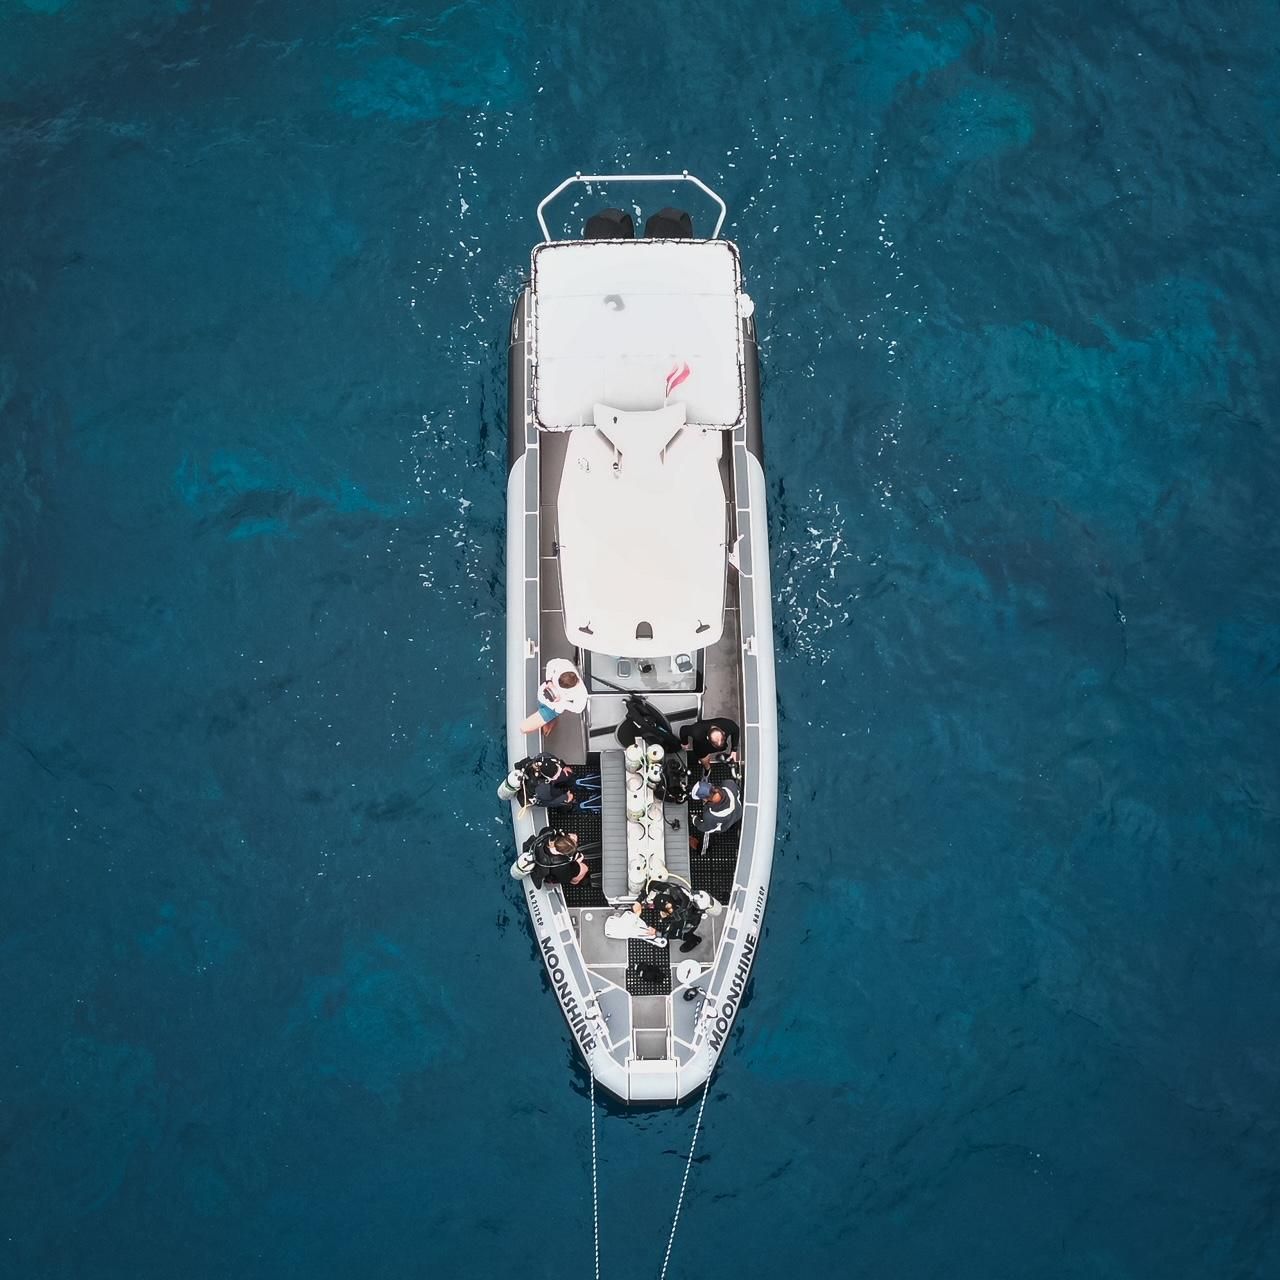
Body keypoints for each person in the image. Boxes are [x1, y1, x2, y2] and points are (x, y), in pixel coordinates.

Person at [630, 879, 707, 953]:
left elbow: (671, 933)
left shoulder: (680, 918)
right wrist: (639, 901)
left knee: (682, 934)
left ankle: (694, 940)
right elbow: (651, 884)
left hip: (689, 923)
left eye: (668, 908)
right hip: (679, 914)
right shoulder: (670, 890)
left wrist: (657, 933)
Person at [520, 658, 588, 736]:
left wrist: (562, 702)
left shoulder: (581, 693)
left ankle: (550, 720)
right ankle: (550, 720)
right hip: (542, 694)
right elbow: (550, 663)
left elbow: (578, 708)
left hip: (551, 709)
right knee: (545, 717)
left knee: (523, 728)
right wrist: (549, 681)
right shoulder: (565, 664)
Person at [523, 828, 592, 890]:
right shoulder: (563, 867)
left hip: (537, 858)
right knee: (584, 868)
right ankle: (575, 882)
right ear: (566, 854)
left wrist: (569, 838)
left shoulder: (547, 833)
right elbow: (565, 879)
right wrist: (577, 861)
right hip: (550, 873)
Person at [689, 776, 742, 853]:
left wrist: (695, 820)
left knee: (709, 832)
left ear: (705, 799)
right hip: (738, 813)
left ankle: (702, 850)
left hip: (723, 825)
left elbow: (705, 828)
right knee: (731, 822)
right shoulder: (728, 784)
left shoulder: (710, 816)